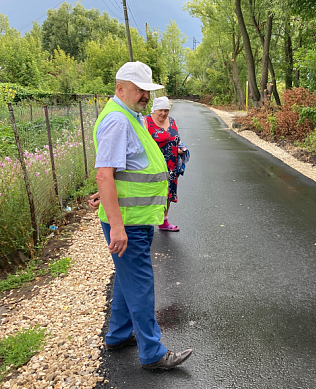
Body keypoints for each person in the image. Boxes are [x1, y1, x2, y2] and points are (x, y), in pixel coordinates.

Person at [88, 61, 192, 370]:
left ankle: (119, 334)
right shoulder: (119, 120)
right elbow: (104, 174)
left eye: (147, 90)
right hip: (128, 223)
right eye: (139, 90)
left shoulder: (130, 117)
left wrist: (108, 195)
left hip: (136, 218)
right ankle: (153, 353)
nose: (145, 95)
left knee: (127, 279)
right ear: (120, 88)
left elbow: (120, 169)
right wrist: (116, 225)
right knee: (142, 284)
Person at [144, 96, 189, 232]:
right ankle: (146, 221)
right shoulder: (146, 122)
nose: (163, 113)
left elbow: (176, 138)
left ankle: (164, 221)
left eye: (166, 110)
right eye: (160, 110)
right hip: (153, 165)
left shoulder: (172, 121)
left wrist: (180, 148)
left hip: (171, 164)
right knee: (151, 193)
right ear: (154, 109)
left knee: (167, 193)